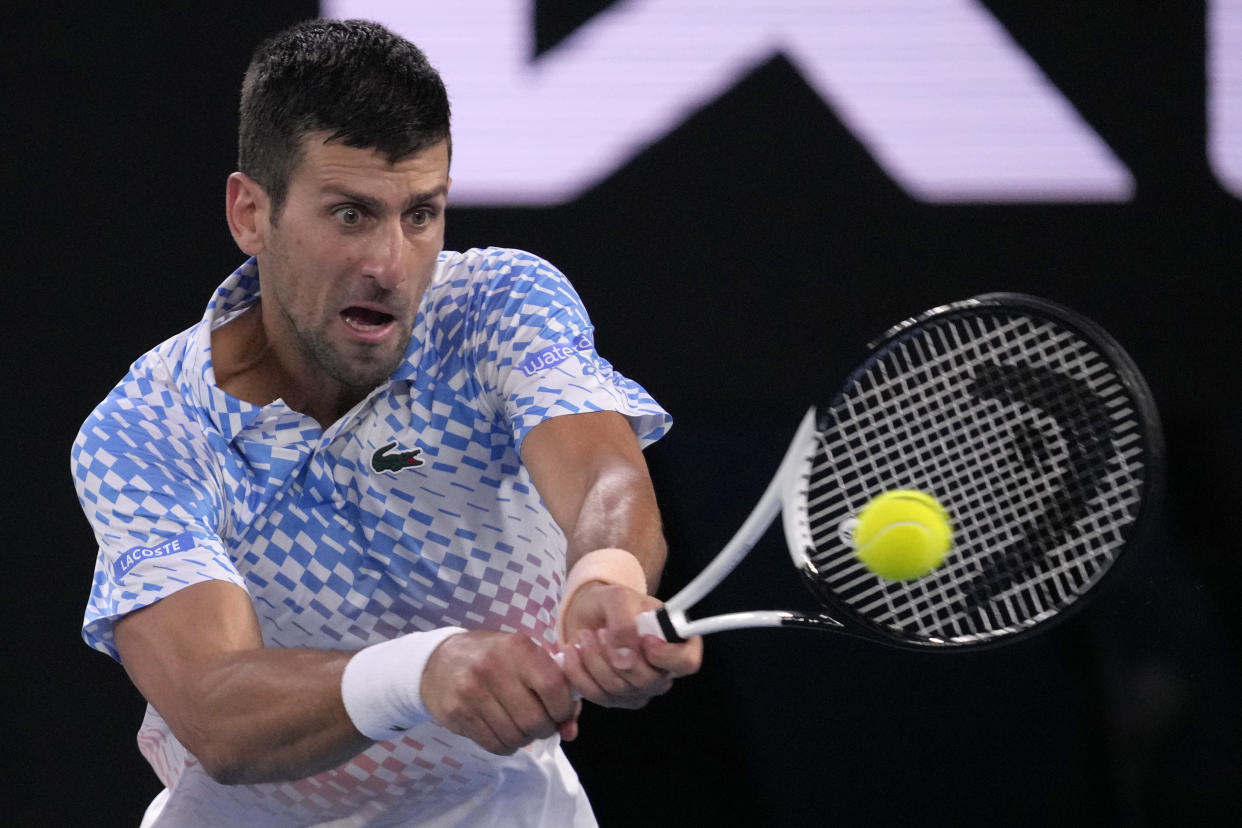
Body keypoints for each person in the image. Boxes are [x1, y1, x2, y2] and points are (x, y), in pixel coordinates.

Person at [70, 18, 701, 827]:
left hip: (503, 809)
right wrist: (421, 671)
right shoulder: (152, 429)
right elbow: (216, 710)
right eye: (350, 215)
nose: (391, 265)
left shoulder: (496, 307)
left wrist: (604, 578)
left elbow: (602, 471)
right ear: (250, 214)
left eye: (421, 214)